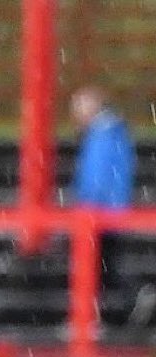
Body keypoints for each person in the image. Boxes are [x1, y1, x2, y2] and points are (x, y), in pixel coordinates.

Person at [69, 86, 148, 327]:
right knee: (105, 267)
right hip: (105, 212)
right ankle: (122, 305)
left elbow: (97, 177)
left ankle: (98, 316)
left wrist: (86, 205)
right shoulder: (107, 132)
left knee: (98, 267)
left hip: (100, 214)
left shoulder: (103, 134)